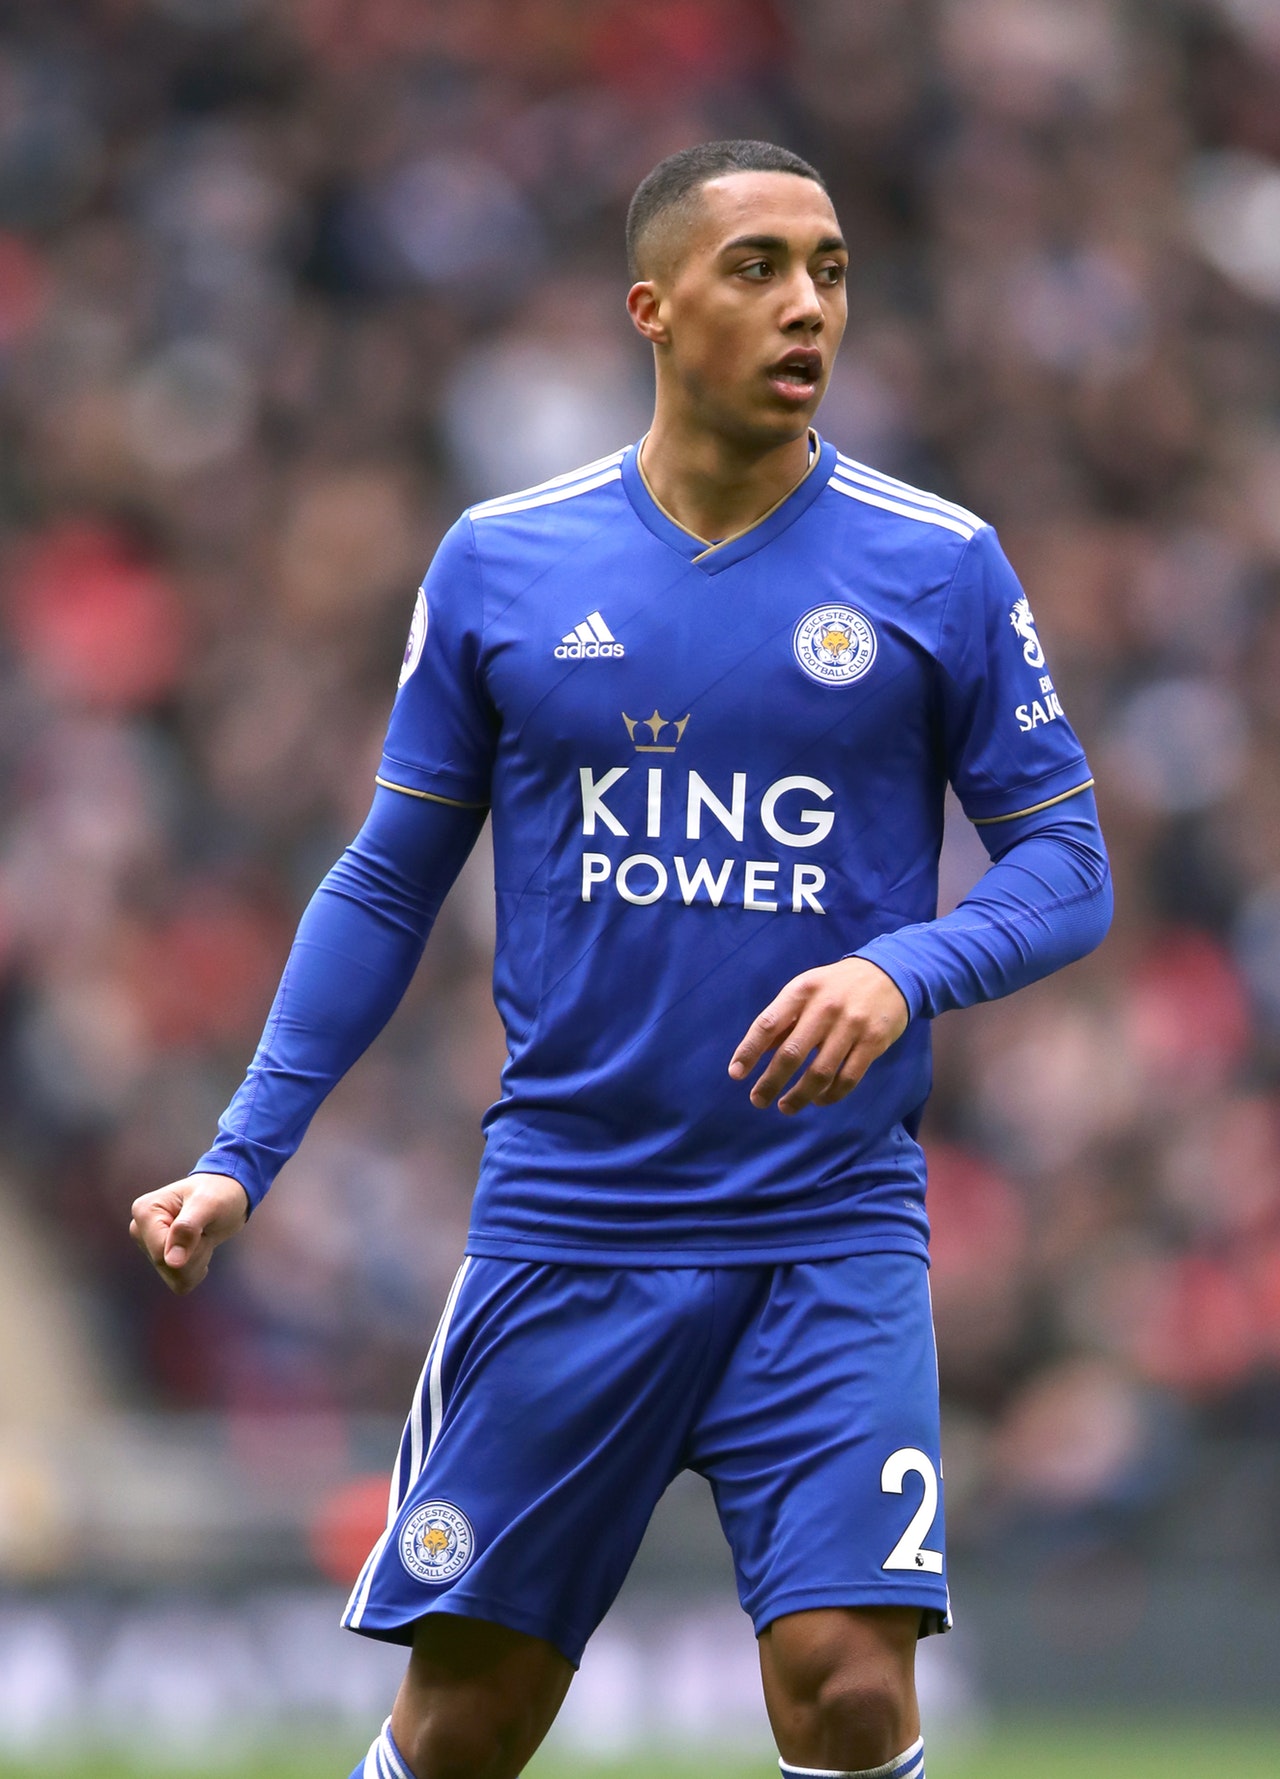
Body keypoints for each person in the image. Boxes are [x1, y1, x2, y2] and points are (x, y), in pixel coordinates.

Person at [130, 140, 1111, 1779]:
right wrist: (244, 1156)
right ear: (650, 309)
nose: (808, 306)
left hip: (827, 1228)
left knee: (851, 1689)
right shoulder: (502, 560)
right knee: (468, 1721)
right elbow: (387, 882)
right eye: (759, 269)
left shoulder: (938, 562)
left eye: (832, 271)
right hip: (574, 1225)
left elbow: (1069, 868)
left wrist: (905, 971)